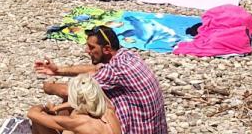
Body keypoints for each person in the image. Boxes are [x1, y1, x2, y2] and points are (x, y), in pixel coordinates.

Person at [35, 25, 168, 134]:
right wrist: (58, 70)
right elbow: (95, 70)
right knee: (79, 102)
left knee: (72, 107)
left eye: (92, 47)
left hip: (137, 129)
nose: (87, 51)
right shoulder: (127, 56)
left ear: (106, 49)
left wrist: (48, 87)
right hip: (152, 127)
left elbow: (69, 91)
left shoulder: (115, 70)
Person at [26, 74, 122, 134]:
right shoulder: (109, 109)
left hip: (81, 125)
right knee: (72, 116)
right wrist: (57, 108)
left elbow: (32, 114)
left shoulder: (80, 122)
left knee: (39, 121)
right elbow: (84, 103)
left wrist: (42, 107)